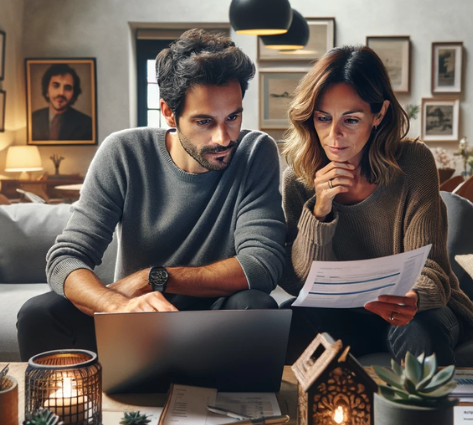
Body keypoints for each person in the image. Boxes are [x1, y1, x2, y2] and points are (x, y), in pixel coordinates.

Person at [17, 29, 286, 361]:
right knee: (39, 312)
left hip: (216, 321)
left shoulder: (255, 152)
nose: (223, 136)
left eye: (233, 116)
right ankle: (73, 411)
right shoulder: (124, 152)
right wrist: (118, 305)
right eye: (204, 121)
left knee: (256, 306)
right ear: (169, 113)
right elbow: (64, 259)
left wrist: (153, 277)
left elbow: (261, 266)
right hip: (135, 322)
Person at [279, 46, 473, 365]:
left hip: (418, 311)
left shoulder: (413, 163)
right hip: (347, 317)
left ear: (379, 114)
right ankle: (298, 414)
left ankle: (428, 415)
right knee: (286, 320)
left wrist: (411, 299)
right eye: (323, 118)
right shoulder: (298, 178)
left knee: (420, 330)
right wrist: (320, 210)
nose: (334, 135)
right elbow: (303, 281)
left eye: (351, 119)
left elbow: (433, 267)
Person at [31, 64, 93, 141]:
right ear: (47, 90)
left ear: (74, 93)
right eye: (56, 86)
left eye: (67, 88)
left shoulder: (87, 124)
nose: (61, 93)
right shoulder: (33, 119)